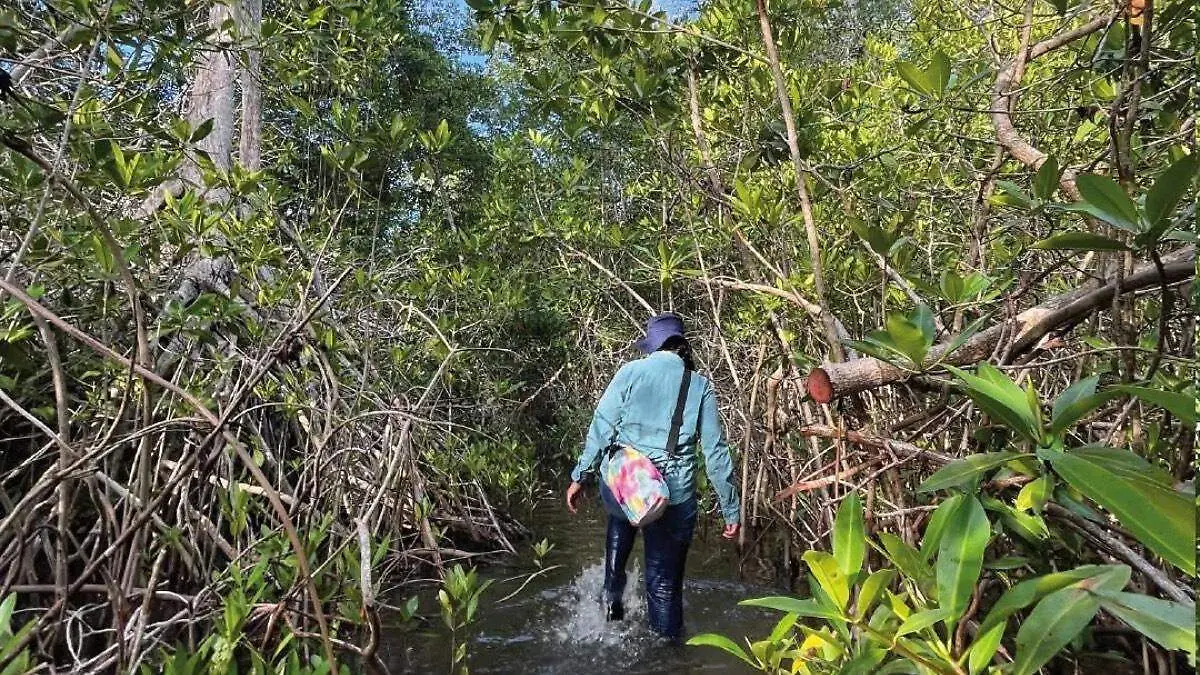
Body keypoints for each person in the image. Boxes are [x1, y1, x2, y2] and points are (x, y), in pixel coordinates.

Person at [565, 312, 741, 643]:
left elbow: (601, 427)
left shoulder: (630, 372)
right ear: (681, 347)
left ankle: (610, 616)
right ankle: (669, 657)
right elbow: (715, 453)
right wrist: (730, 509)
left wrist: (580, 475)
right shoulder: (699, 385)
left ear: (653, 345)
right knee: (663, 586)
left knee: (620, 531)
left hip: (626, 485)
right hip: (672, 497)